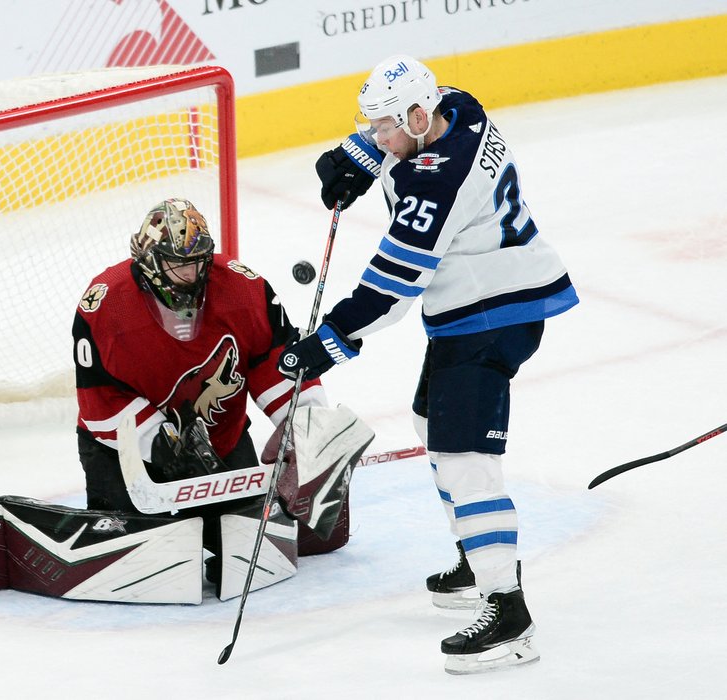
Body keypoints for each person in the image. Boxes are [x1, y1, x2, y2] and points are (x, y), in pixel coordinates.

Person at [279, 55, 578, 674]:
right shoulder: (458, 105)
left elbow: (391, 288)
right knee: (427, 422)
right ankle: (478, 557)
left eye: (384, 127)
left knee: (467, 461)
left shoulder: (436, 184)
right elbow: (404, 136)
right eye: (373, 126)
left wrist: (326, 342)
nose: (379, 136)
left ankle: (508, 613)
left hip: (494, 317)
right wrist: (361, 153)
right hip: (480, 301)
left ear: (418, 116)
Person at [73, 198, 373, 598]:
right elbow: (98, 398)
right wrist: (161, 442)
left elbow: (273, 360)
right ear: (148, 262)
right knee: (140, 559)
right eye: (179, 264)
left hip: (221, 442)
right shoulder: (107, 304)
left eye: (199, 260)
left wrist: (301, 427)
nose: (193, 273)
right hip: (124, 450)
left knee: (250, 550)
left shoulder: (242, 288)